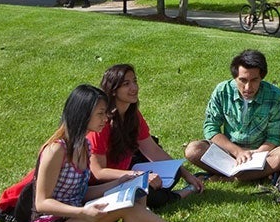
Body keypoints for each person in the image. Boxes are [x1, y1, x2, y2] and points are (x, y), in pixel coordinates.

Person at [29, 84, 226, 222]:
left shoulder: (84, 146)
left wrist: (122, 182)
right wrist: (81, 211)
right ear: (82, 114)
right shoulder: (56, 150)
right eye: (100, 114)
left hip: (76, 218)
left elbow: (81, 193)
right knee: (123, 206)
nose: (105, 119)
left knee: (135, 188)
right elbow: (42, 203)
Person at [87, 64, 204, 209]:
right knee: (152, 196)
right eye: (126, 84)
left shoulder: (133, 115)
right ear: (113, 90)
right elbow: (98, 172)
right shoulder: (101, 123)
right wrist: (139, 175)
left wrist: (185, 173)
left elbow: (152, 150)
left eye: (135, 81)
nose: (134, 88)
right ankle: (182, 193)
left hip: (127, 172)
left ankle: (170, 188)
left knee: (173, 174)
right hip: (103, 183)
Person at [185, 49, 280, 182]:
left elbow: (274, 137)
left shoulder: (277, 97)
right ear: (234, 77)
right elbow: (211, 128)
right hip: (228, 150)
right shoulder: (222, 91)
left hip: (260, 153)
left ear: (262, 77)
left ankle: (229, 176)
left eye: (254, 80)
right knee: (193, 150)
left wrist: (256, 153)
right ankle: (248, 176)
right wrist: (237, 152)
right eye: (242, 80)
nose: (248, 87)